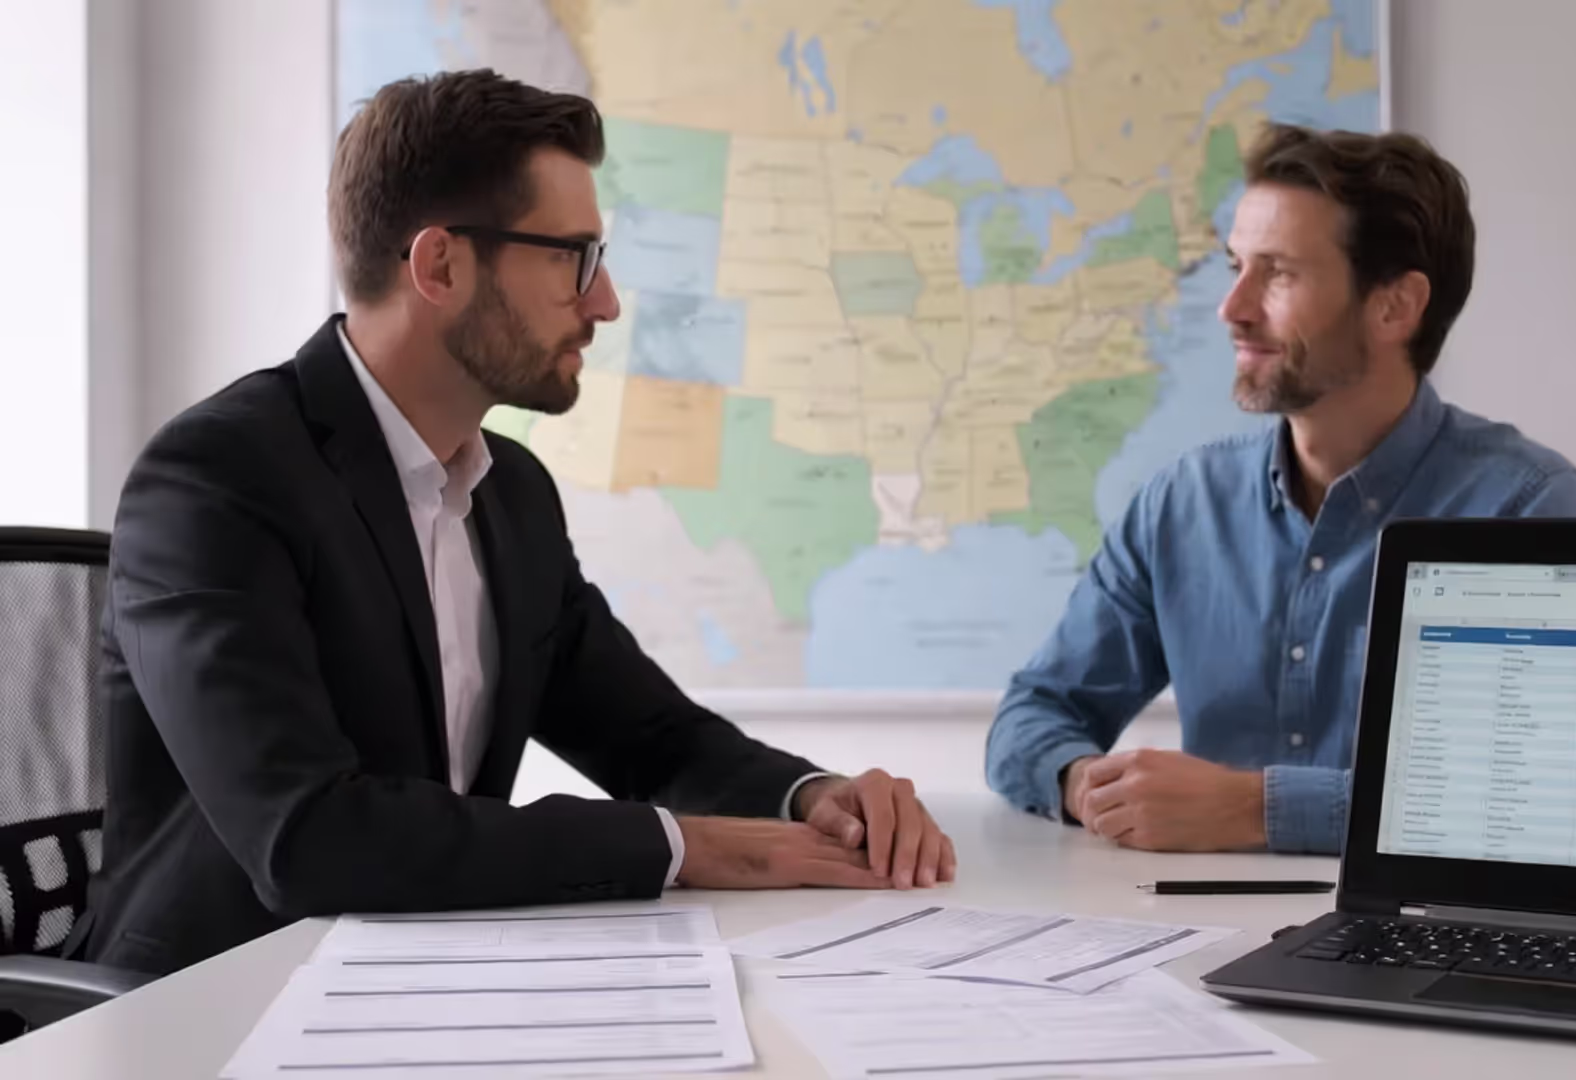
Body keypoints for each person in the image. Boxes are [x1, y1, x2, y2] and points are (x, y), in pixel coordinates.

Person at [77, 70, 953, 976]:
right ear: (442, 266)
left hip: (417, 980)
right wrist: (683, 848)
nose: (606, 301)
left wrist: (812, 799)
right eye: (574, 257)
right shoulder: (215, 481)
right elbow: (308, 838)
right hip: (210, 1004)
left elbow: (650, 736)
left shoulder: (513, 493)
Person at [985, 123, 1576, 856]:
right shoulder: (1182, 503)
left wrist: (1257, 809)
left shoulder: (1521, 506)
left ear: (1395, 307)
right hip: (1179, 929)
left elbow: (1530, 789)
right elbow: (1034, 713)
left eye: (1277, 273)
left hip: (1418, 939)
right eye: (1236, 265)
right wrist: (1086, 783)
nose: (1232, 307)